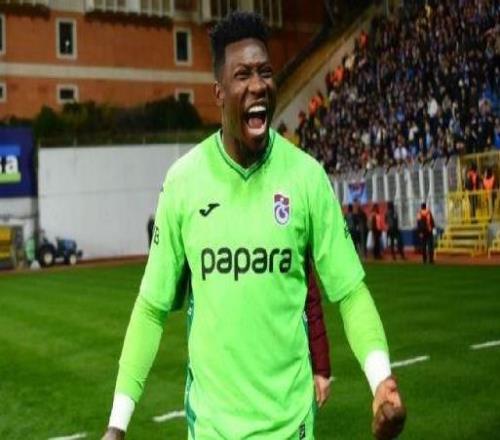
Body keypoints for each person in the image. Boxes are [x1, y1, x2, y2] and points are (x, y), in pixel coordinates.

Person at [102, 12, 405, 440]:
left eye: (265, 72)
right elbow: (151, 308)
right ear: (219, 93)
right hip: (212, 430)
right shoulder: (184, 182)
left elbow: (351, 292)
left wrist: (381, 380)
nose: (258, 85)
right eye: (243, 74)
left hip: (292, 427)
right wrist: (117, 425)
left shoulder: (306, 177)